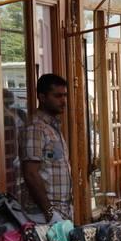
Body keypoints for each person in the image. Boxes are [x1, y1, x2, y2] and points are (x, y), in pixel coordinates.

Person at [21, 74, 73, 222]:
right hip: (43, 214)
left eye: (65, 95)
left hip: (62, 210)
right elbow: (30, 173)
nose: (63, 101)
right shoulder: (35, 128)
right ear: (42, 97)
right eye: (57, 96)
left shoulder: (52, 127)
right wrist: (49, 212)